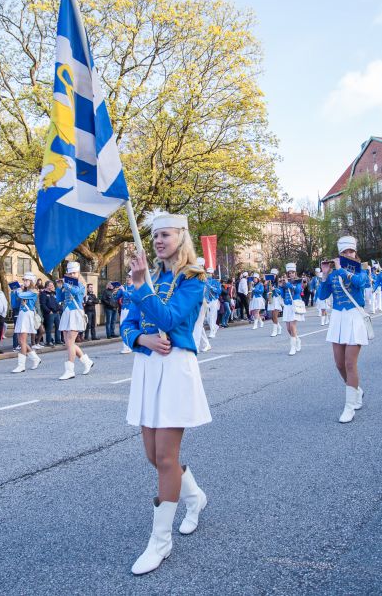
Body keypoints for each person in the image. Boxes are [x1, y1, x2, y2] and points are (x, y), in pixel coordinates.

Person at [121, 211, 210, 576]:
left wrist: (140, 285)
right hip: (147, 367)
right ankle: (195, 497)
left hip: (175, 369)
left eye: (166, 235)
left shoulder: (193, 278)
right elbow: (128, 324)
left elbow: (171, 319)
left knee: (166, 457)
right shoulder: (151, 277)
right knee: (153, 456)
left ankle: (160, 541)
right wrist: (142, 339)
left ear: (181, 237)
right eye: (155, 236)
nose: (158, 241)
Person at [317, 235, 370, 424]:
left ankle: (349, 407)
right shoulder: (333, 274)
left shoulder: (361, 269)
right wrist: (325, 275)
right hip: (338, 318)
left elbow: (360, 283)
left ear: (355, 253)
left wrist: (340, 269)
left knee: (350, 363)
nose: (348, 254)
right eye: (344, 252)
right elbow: (322, 295)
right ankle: (356, 390)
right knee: (339, 364)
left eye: (350, 251)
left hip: (354, 317)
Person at [54, 262, 94, 380]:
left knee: (70, 342)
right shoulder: (67, 285)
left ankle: (70, 371)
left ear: (78, 273)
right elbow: (59, 299)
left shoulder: (81, 284)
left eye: (74, 273)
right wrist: (59, 287)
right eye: (70, 273)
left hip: (76, 313)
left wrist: (66, 284)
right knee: (68, 343)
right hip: (67, 313)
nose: (72, 275)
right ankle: (86, 361)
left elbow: (76, 292)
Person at [11, 273, 42, 373]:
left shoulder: (34, 291)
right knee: (21, 341)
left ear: (31, 281)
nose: (24, 282)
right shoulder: (24, 291)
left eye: (26, 280)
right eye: (24, 280)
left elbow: (21, 295)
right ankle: (35, 358)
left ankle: (21, 365)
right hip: (21, 314)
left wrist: (18, 290)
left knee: (23, 341)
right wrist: (13, 293)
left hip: (27, 315)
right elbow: (14, 304)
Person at [280, 263, 304, 355]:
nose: (291, 274)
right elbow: (283, 295)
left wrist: (288, 284)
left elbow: (298, 291)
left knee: (292, 326)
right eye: (289, 273)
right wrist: (281, 286)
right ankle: (297, 340)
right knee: (288, 328)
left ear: (295, 273)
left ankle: (293, 347)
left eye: (292, 272)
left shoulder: (298, 281)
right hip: (287, 306)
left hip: (295, 305)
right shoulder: (285, 282)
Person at [117, 279, 136, 354]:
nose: (128, 279)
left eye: (130, 277)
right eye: (127, 277)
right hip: (123, 309)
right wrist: (117, 290)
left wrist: (123, 290)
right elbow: (116, 297)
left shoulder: (135, 287)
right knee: (123, 327)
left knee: (130, 327)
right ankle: (125, 347)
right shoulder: (124, 287)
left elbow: (130, 296)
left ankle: (131, 346)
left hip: (131, 309)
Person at [266, 269, 283, 338]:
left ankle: (274, 331)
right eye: (272, 274)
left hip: (277, 300)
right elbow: (267, 291)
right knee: (272, 318)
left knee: (274, 316)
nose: (273, 276)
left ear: (276, 275)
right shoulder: (269, 283)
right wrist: (268, 295)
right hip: (271, 299)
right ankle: (279, 327)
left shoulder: (279, 282)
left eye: (274, 274)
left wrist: (274, 289)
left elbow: (280, 292)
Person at [204, 268, 221, 338]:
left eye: (210, 273)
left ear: (212, 274)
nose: (208, 274)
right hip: (206, 301)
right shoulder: (204, 281)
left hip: (214, 300)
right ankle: (215, 327)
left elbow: (219, 291)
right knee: (207, 318)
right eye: (207, 273)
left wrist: (212, 288)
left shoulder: (216, 282)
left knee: (212, 316)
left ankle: (212, 332)